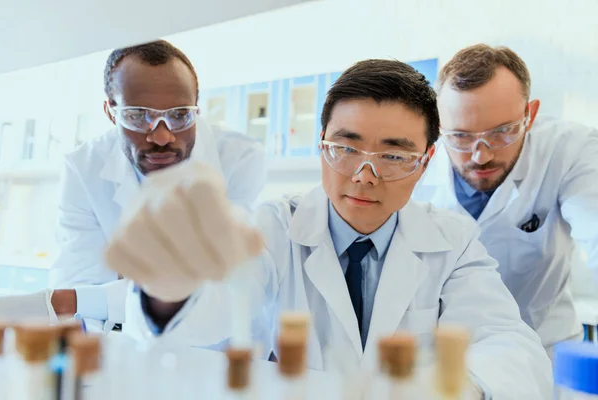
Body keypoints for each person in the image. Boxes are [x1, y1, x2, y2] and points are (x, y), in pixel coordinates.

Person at [105, 59, 552, 399]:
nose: (364, 175)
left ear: (424, 164)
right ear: (321, 147)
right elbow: (214, 315)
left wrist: (456, 387)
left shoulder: (452, 242)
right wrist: (169, 294)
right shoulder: (274, 226)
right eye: (345, 148)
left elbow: (508, 344)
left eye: (393, 156)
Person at [46, 40, 266, 330]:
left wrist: (90, 298)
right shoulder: (83, 166)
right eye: (138, 116)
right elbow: (79, 291)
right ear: (111, 111)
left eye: (179, 115)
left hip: (218, 350)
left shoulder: (238, 158)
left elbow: (226, 282)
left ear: (196, 108)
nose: (162, 137)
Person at [411, 44, 598, 356]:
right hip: (445, 355)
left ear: (531, 114)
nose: (481, 155)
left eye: (502, 132)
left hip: (542, 349)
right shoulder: (414, 162)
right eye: (461, 137)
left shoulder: (569, 150)